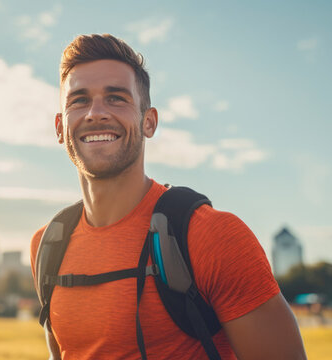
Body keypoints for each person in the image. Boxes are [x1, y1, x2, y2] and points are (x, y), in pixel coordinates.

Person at [30, 34, 307, 359]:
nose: (96, 113)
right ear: (60, 127)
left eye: (116, 98)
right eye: (79, 100)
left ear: (149, 122)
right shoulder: (48, 245)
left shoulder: (213, 237)